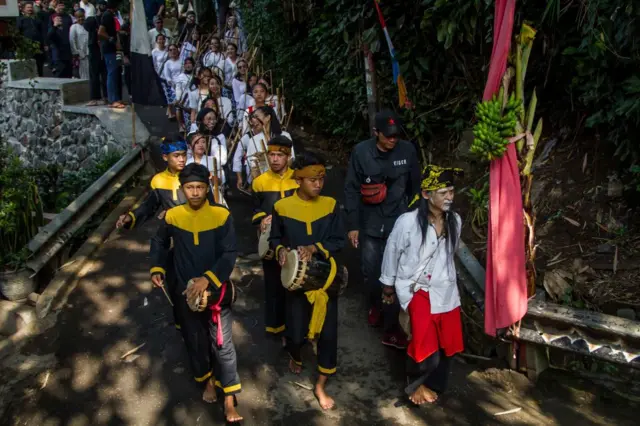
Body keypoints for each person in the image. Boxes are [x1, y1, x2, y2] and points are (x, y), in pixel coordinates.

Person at [150, 163, 243, 422]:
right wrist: (157, 267)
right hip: (184, 290)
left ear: (207, 187)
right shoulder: (172, 216)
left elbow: (229, 252)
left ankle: (229, 399)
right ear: (182, 189)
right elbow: (158, 241)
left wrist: (208, 279)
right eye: (189, 187)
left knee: (223, 344)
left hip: (217, 290)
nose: (194, 193)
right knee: (196, 340)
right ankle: (207, 381)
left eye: (199, 187)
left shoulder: (221, 215)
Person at [380, 165, 464, 405]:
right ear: (426, 194)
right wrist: (388, 286)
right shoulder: (406, 223)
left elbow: (451, 254)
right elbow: (391, 253)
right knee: (423, 343)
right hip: (417, 289)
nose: (449, 197)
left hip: (446, 290)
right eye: (443, 192)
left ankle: (433, 385)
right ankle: (415, 385)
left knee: (448, 343)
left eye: (451, 191)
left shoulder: (455, 221)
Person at [269, 151, 345, 410]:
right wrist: (280, 251)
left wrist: (314, 247)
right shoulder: (281, 207)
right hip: (297, 284)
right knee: (296, 330)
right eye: (313, 179)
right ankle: (296, 353)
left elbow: (338, 240)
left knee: (328, 334)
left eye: (322, 179)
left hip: (325, 281)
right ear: (298, 180)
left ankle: (321, 385)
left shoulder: (331, 205)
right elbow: (275, 239)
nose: (319, 184)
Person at [344, 110, 420, 349]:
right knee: (372, 270)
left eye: (396, 135)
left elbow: (416, 187)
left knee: (397, 273)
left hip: (400, 221)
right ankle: (374, 305)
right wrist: (353, 225)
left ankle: (392, 324)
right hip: (370, 222)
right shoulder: (361, 152)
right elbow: (351, 189)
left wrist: (416, 218)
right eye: (387, 136)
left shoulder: (408, 151)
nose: (393, 140)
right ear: (375, 133)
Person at [251, 136, 298, 345]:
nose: (275, 159)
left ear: (288, 156)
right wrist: (262, 219)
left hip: (293, 237)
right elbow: (255, 209)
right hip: (271, 239)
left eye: (280, 155)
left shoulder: (298, 179)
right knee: (273, 283)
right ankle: (275, 325)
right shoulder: (259, 182)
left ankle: (295, 327)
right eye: (272, 155)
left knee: (294, 281)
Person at [233, 106, 293, 189]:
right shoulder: (253, 140)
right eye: (253, 117)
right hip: (262, 185)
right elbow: (251, 167)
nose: (253, 120)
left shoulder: (285, 136)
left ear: (268, 118)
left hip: (283, 182)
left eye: (257, 117)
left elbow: (291, 159)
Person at [98, 0, 125, 108]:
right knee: (112, 73)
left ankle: (117, 98)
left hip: (114, 49)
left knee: (116, 72)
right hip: (109, 49)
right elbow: (100, 32)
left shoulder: (111, 15)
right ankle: (112, 100)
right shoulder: (107, 15)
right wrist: (111, 40)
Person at [84, 0, 107, 105]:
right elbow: (87, 26)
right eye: (100, 6)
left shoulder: (107, 18)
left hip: (105, 47)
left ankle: (106, 96)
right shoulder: (91, 19)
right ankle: (95, 97)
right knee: (94, 73)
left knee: (105, 73)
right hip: (94, 48)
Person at [17, 2, 45, 76]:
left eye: (31, 7)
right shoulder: (20, 19)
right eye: (28, 7)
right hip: (27, 45)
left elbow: (42, 31)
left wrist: (44, 43)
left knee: (39, 63)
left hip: (38, 45)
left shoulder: (36, 18)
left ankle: (41, 77)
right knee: (29, 63)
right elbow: (18, 32)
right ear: (24, 9)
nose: (30, 9)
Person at [160, 44, 182, 119]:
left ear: (178, 50)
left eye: (174, 49)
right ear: (168, 52)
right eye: (170, 50)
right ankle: (180, 123)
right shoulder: (167, 63)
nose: (173, 51)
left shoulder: (182, 60)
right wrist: (174, 85)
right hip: (174, 86)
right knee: (177, 105)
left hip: (184, 84)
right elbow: (167, 77)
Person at [48, 13, 73, 78]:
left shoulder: (66, 29)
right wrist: (55, 26)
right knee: (60, 76)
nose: (60, 20)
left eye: (60, 18)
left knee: (68, 75)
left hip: (67, 56)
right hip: (58, 58)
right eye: (57, 19)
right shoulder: (52, 29)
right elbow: (49, 36)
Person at [70, 9, 90, 79]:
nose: (81, 18)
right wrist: (75, 53)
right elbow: (72, 41)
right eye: (78, 17)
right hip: (81, 55)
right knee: (84, 76)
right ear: (75, 17)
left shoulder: (88, 25)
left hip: (90, 53)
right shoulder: (74, 27)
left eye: (82, 16)